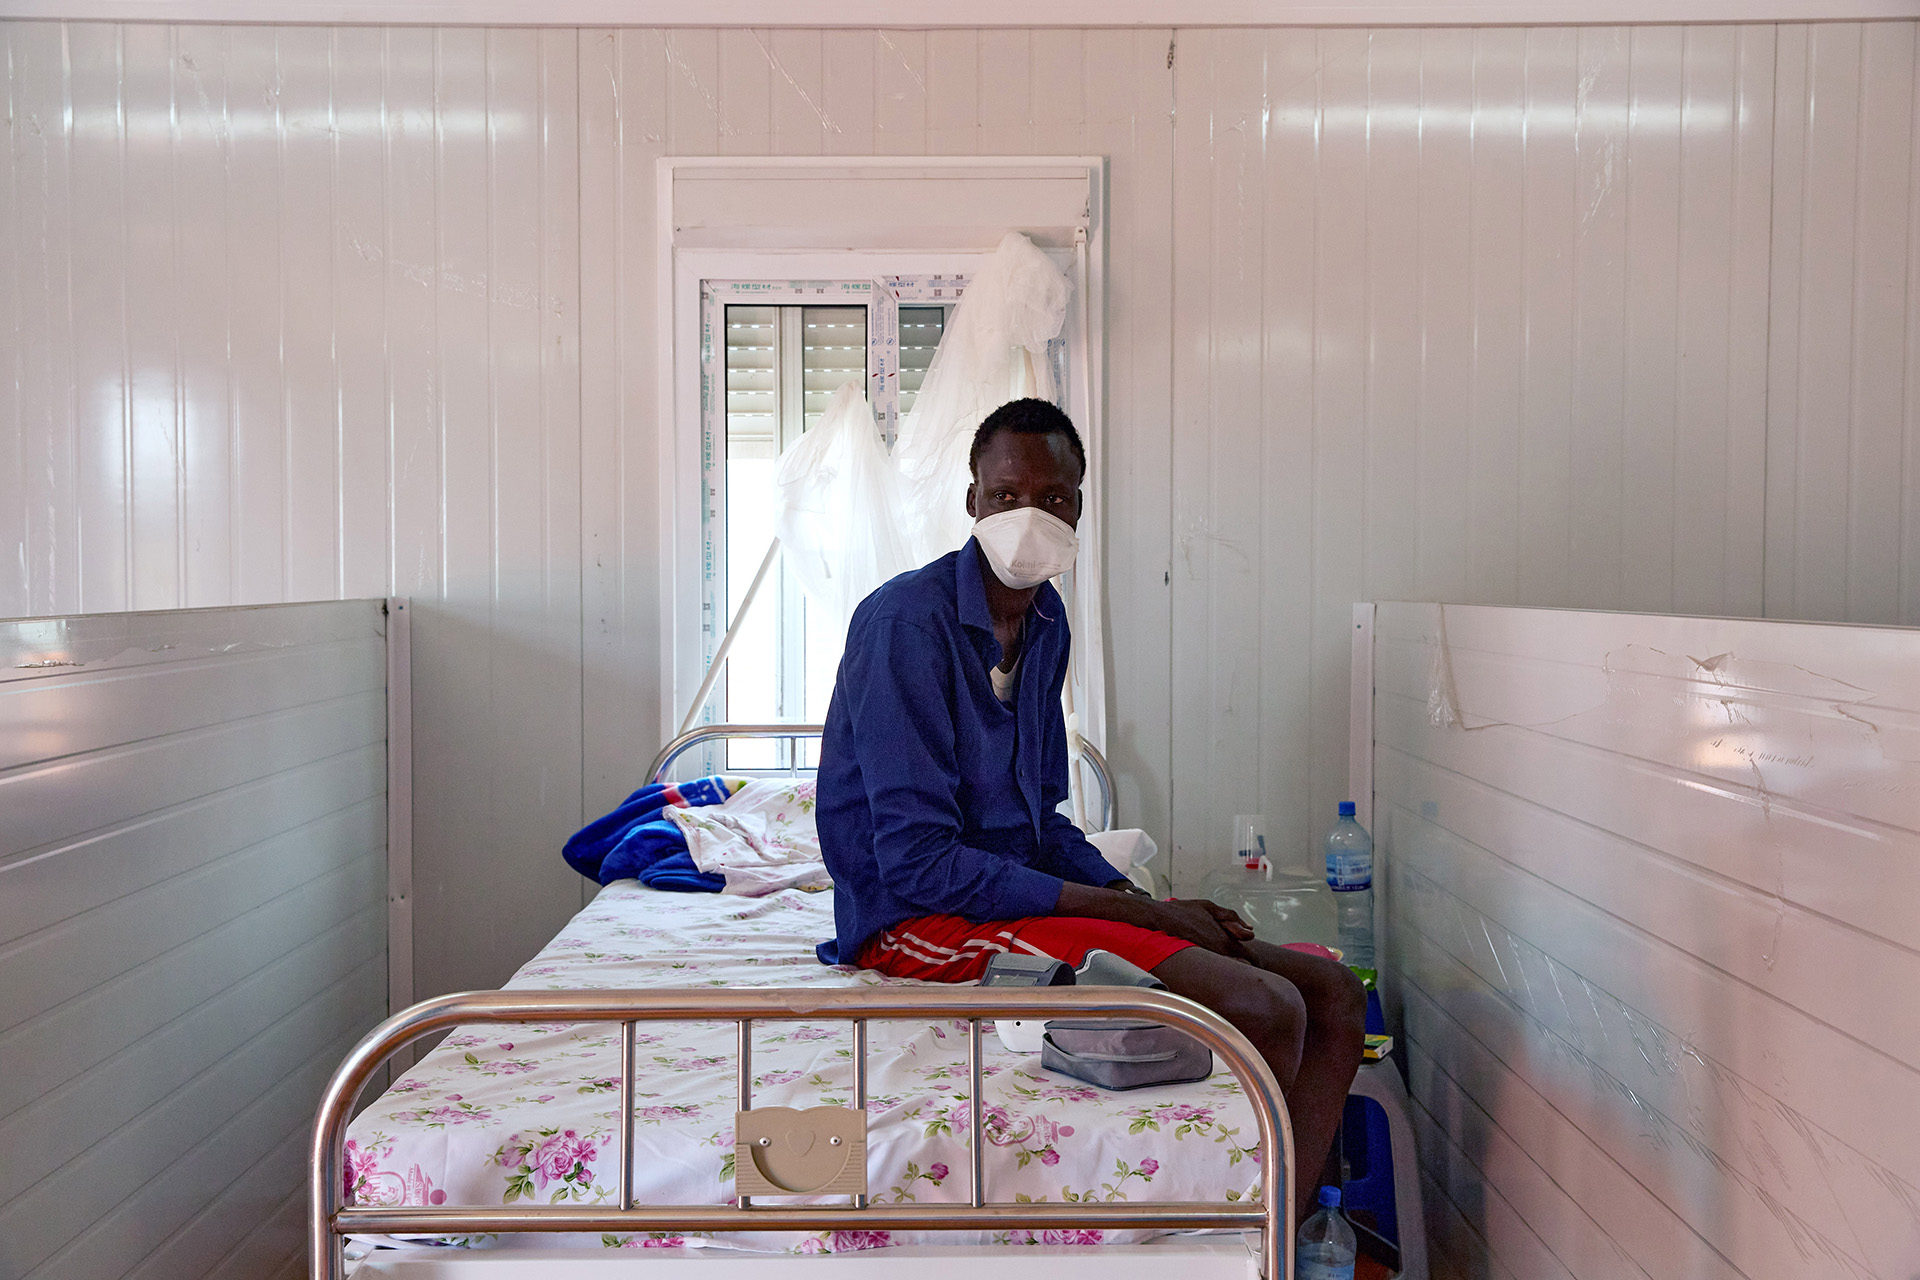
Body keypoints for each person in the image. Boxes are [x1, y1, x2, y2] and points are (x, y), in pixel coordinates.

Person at [814, 397, 1366, 1220]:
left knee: (1333, 993)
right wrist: (1120, 908)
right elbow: (916, 860)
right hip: (917, 916)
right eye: (1006, 497)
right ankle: (1250, 1239)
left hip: (1004, 886)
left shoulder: (1045, 624)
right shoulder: (906, 626)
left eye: (1055, 499)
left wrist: (1155, 908)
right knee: (1262, 1005)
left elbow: (1041, 822)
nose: (1029, 516)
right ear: (972, 501)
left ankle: (1293, 1230)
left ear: (1079, 508)